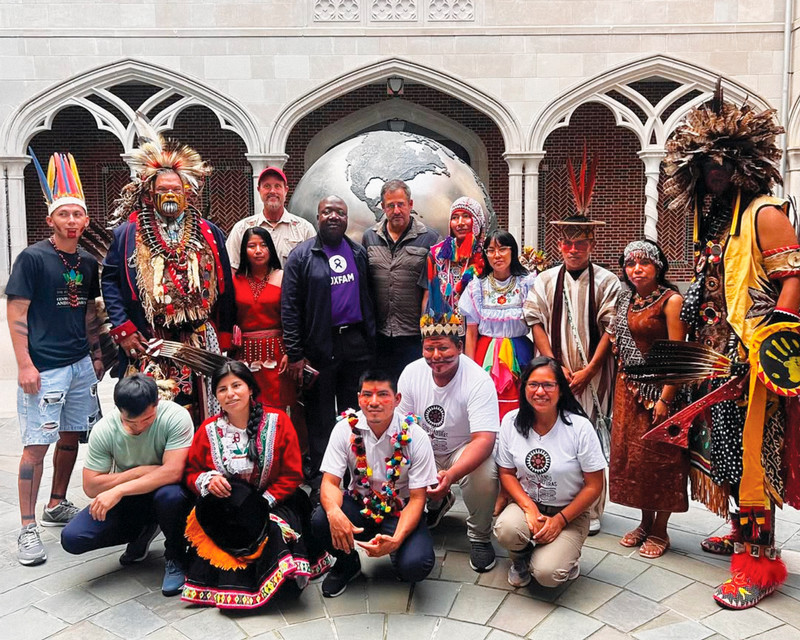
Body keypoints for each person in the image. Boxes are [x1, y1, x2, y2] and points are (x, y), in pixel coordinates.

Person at [659, 82, 800, 608]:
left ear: (744, 164)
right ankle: (742, 533)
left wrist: (771, 346)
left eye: (721, 164)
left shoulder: (764, 212)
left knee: (750, 462)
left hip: (753, 365)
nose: (712, 174)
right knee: (723, 454)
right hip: (716, 363)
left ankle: (759, 565)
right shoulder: (712, 222)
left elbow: (794, 280)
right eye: (703, 167)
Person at [8, 151, 103, 566]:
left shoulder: (86, 262)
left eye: (76, 215)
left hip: (80, 365)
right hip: (44, 368)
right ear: (50, 220)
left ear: (84, 222)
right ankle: (27, 528)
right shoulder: (32, 258)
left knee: (70, 438)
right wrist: (25, 365)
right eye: (62, 214)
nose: (70, 221)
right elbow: (16, 313)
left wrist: (96, 358)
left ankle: (56, 503)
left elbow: (87, 311)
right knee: (36, 447)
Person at [102, 127, 234, 422]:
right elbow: (110, 281)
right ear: (150, 193)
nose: (170, 195)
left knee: (205, 409)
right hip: (150, 338)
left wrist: (225, 335)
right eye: (163, 190)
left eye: (176, 189)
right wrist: (124, 330)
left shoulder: (210, 233)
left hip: (200, 338)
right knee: (153, 413)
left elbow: (225, 287)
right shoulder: (128, 234)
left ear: (187, 192)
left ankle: (200, 463)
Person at [181, 361, 332, 609]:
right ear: (216, 396)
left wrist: (261, 504)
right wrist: (209, 480)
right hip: (228, 512)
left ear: (251, 388)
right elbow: (191, 471)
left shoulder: (279, 421)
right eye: (222, 389)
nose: (230, 394)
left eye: (236, 385)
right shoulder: (208, 430)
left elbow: (292, 473)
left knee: (274, 539)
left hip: (275, 501)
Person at [523, 156, 618, 535]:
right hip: (556, 369)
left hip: (594, 373)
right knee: (559, 433)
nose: (573, 249)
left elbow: (611, 328)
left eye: (580, 243)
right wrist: (554, 366)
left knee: (590, 435)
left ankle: (591, 511)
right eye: (567, 243)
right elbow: (536, 322)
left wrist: (591, 370)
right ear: (559, 245)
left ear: (591, 244)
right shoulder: (545, 280)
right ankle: (559, 500)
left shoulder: (609, 281)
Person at [61, 374, 194, 596]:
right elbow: (91, 487)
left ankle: (176, 556)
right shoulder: (105, 429)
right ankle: (142, 531)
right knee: (73, 538)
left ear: (157, 404)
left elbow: (173, 471)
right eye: (131, 422)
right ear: (119, 410)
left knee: (171, 496)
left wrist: (119, 488)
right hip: (133, 500)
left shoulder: (175, 416)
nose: (140, 426)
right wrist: (137, 473)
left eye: (148, 419)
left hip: (168, 493)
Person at [311, 369, 438, 597]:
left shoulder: (415, 436)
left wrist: (397, 540)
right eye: (367, 394)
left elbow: (418, 498)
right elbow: (330, 482)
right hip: (360, 504)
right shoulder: (344, 429)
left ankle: (397, 551)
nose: (374, 402)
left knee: (416, 566)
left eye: (383, 394)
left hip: (401, 509)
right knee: (321, 519)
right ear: (359, 397)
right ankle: (347, 564)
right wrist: (333, 513)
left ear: (397, 399)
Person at [281, 195, 375, 487]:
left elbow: (369, 297)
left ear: (346, 219)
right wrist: (295, 353)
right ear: (318, 217)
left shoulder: (358, 253)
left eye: (340, 212)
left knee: (355, 414)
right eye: (327, 212)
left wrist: (370, 341)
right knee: (320, 417)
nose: (334, 216)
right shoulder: (302, 256)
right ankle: (325, 480)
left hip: (355, 345)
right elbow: (290, 306)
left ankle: (356, 475)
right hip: (319, 347)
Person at [397, 313, 500, 572]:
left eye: (443, 347)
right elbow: (401, 425)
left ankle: (479, 536)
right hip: (424, 446)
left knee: (485, 469)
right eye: (429, 348)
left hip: (461, 450)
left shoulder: (478, 380)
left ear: (460, 347)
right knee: (392, 456)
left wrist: (451, 475)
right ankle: (423, 509)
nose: (436, 355)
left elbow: (484, 440)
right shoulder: (411, 372)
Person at [493, 357, 606, 588]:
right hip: (528, 504)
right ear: (524, 387)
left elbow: (595, 485)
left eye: (548, 385)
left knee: (547, 574)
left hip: (569, 511)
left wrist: (560, 520)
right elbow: (506, 473)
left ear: (561, 390)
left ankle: (563, 556)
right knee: (507, 529)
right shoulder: (511, 422)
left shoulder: (579, 428)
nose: (540, 391)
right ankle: (521, 559)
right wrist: (529, 507)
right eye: (533, 384)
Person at [608, 240, 688, 559]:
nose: (636, 269)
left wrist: (666, 398)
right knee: (635, 460)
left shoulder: (671, 301)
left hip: (661, 393)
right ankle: (644, 522)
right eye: (630, 264)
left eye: (644, 262)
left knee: (661, 459)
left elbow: (678, 354)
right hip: (629, 390)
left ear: (659, 266)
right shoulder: (627, 300)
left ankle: (661, 529)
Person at [362, 179, 440, 380]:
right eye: (390, 205)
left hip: (413, 336)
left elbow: (431, 289)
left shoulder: (430, 239)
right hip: (378, 336)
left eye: (401, 204)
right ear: (382, 207)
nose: (396, 210)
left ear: (410, 205)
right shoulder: (369, 237)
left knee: (411, 393)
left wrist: (428, 334)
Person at [459, 229, 536, 419]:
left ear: (513, 251)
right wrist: (470, 369)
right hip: (485, 353)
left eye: (502, 249)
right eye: (491, 250)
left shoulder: (527, 283)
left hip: (520, 352)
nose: (496, 255)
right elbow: (471, 332)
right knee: (486, 404)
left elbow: (537, 325)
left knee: (521, 405)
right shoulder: (477, 286)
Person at [231, 227, 295, 411]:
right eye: (252, 246)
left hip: (279, 353)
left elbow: (293, 317)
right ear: (244, 250)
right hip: (245, 354)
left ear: (271, 249)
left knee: (279, 406)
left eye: (263, 245)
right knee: (247, 405)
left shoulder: (283, 277)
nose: (258, 250)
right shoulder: (235, 280)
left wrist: (291, 351)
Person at [226, 166, 316, 269]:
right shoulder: (242, 229)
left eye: (277, 186)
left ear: (285, 190)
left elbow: (314, 269)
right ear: (259, 190)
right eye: (267, 186)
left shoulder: (304, 229)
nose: (272, 191)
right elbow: (232, 269)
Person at [420, 196, 486, 315]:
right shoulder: (437, 254)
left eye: (466, 216)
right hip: (445, 326)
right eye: (455, 218)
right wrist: (426, 326)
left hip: (479, 327)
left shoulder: (487, 254)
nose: (460, 223)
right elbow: (428, 293)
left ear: (477, 221)